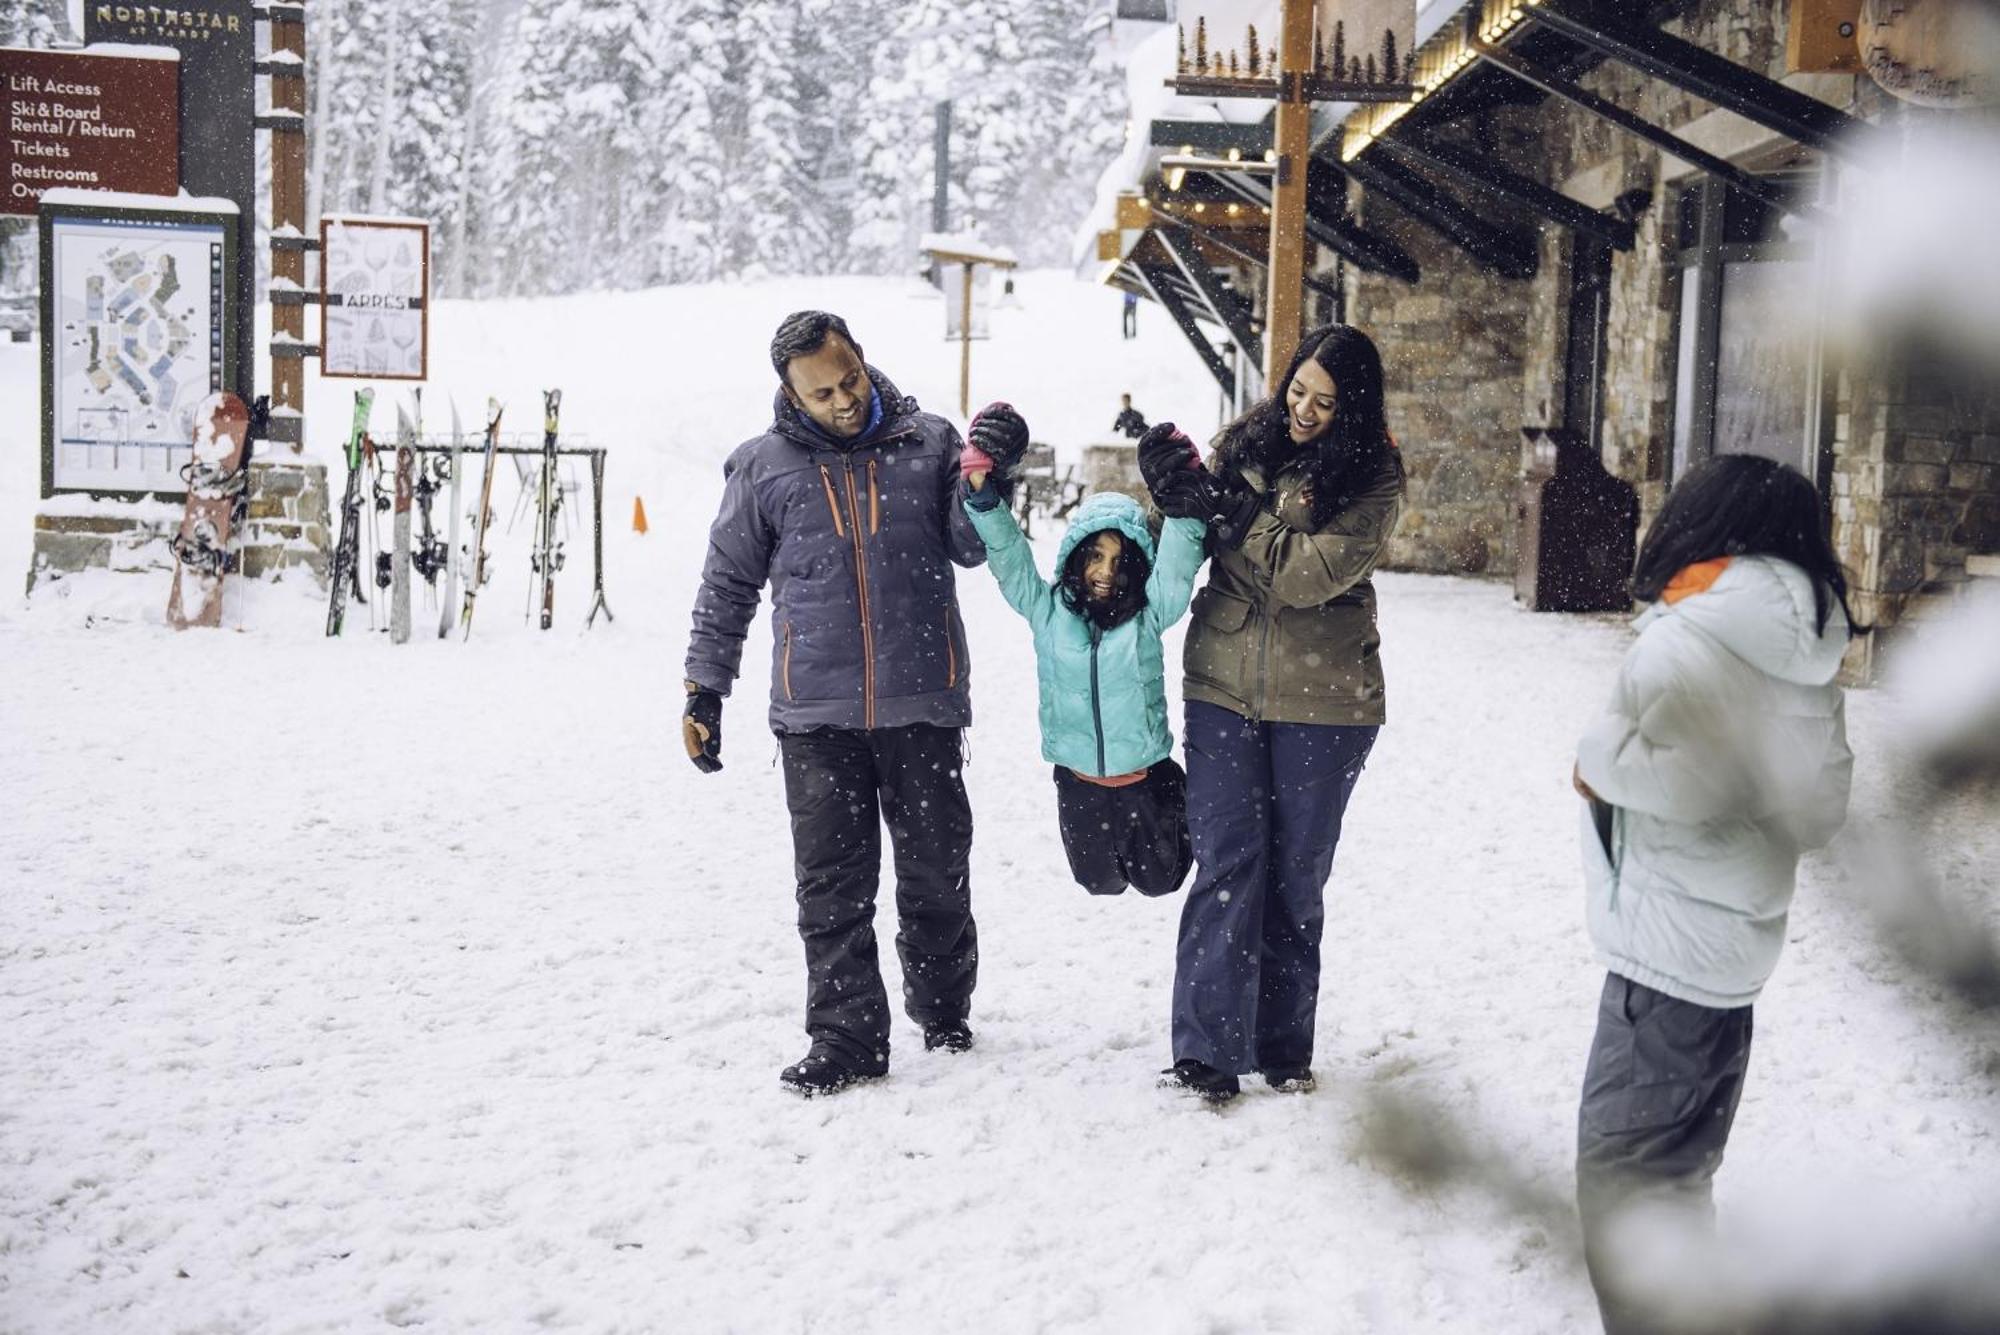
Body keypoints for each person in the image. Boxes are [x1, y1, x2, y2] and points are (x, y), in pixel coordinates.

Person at [1570, 453, 1856, 1333]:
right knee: (1676, 1187)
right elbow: (1823, 804)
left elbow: (1685, 775)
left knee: (1624, 1198)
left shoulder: (1688, 634)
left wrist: (1596, 764)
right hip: (1732, 965)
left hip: (1663, 959)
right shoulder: (1811, 649)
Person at [682, 310, 996, 1098]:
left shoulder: (929, 444)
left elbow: (972, 543)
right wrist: (704, 689)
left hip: (921, 702)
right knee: (831, 885)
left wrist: (989, 479)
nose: (844, 399)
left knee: (935, 871)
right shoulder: (764, 468)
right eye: (822, 392)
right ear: (790, 393)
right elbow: (727, 584)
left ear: (862, 357)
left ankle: (941, 1001)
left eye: (849, 377)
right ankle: (847, 1036)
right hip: (816, 716)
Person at [1140, 323, 1405, 1105]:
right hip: (1223, 682)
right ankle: (1205, 1050)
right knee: (1228, 860)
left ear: (1352, 407)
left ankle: (1281, 1045)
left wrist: (1238, 514)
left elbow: (1306, 573)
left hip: (1325, 701)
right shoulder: (1244, 447)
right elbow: (1185, 536)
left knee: (1294, 874)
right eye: (1297, 391)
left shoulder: (1374, 479)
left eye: (1325, 402)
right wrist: (1171, 496)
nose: (1304, 411)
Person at [959, 404, 1206, 898]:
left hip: (1144, 780)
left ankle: (1180, 801)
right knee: (1097, 882)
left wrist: (1184, 499)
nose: (1105, 572)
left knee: (1162, 881)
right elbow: (1009, 557)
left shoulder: (1148, 613)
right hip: (1078, 784)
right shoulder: (1046, 609)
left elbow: (1178, 566)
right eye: (1095, 555)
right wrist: (982, 494)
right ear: (1075, 555)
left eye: (1119, 560)